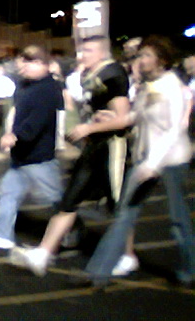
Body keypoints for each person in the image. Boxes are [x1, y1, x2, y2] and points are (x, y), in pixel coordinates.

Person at [10, 35, 130, 276]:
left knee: (119, 206)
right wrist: (91, 124)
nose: (82, 55)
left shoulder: (113, 73)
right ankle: (43, 253)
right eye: (81, 50)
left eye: (89, 50)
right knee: (69, 200)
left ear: (103, 52)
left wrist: (90, 128)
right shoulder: (86, 74)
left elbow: (124, 118)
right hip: (93, 147)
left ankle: (128, 256)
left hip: (113, 147)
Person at [83, 35, 194, 287]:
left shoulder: (171, 86)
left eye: (146, 55)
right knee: (124, 214)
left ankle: (190, 267)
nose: (140, 60)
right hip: (146, 160)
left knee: (178, 218)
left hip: (171, 160)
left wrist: (152, 164)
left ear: (162, 60)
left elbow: (173, 130)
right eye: (139, 55)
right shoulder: (148, 85)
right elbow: (137, 115)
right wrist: (108, 118)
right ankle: (99, 272)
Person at [0, 45, 64, 249]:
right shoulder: (26, 86)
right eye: (21, 64)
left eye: (27, 63)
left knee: (55, 200)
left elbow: (38, 120)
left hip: (39, 157)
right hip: (22, 155)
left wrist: (16, 136)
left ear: (42, 64)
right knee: (8, 192)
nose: (22, 68)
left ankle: (73, 230)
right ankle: (2, 234)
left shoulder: (48, 89)